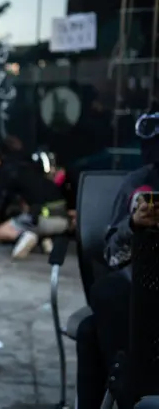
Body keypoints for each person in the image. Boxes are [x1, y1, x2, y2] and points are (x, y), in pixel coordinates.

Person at [75, 113, 159, 408]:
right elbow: (112, 256)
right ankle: (129, 386)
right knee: (104, 295)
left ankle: (129, 385)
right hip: (142, 293)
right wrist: (133, 226)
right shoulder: (138, 185)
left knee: (89, 332)